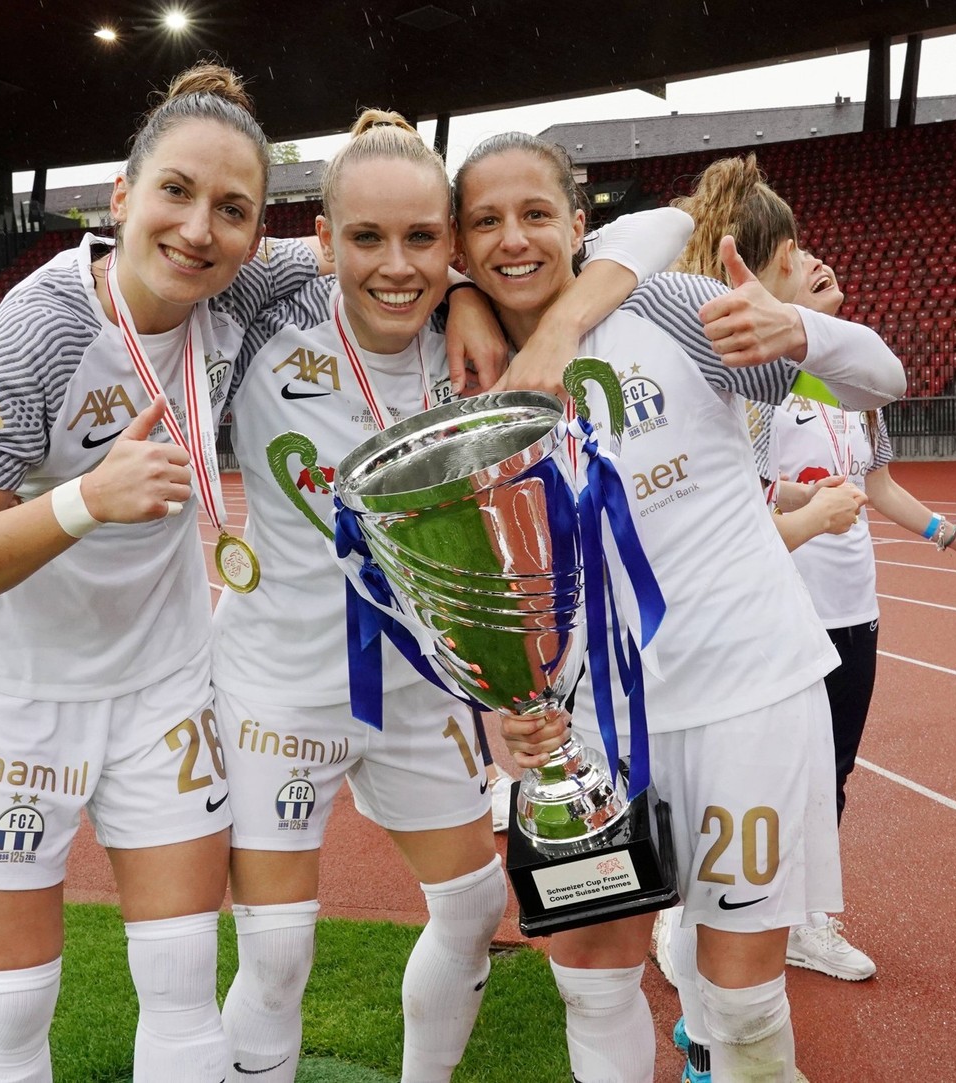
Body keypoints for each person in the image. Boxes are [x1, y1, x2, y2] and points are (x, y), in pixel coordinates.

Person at [214, 110, 694, 1083]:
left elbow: (664, 225)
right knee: (274, 950)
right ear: (321, 242)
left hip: (417, 694)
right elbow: (186, 247)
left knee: (474, 910)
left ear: (452, 244)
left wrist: (476, 293)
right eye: (365, 239)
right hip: (279, 688)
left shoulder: (467, 342)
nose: (397, 265)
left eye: (425, 239)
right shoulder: (267, 320)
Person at [0, 63, 334, 1083]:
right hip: (11, 699)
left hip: (162, 686)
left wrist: (467, 295)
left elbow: (370, 255)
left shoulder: (243, 284)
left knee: (184, 985)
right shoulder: (42, 328)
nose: (200, 230)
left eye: (234, 210)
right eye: (176, 193)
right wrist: (86, 499)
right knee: (13, 1011)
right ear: (121, 199)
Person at [461, 133, 905, 1083]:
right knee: (595, 985)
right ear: (457, 248)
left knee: (741, 1002)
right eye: (485, 222)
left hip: (745, 691)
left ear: (580, 224)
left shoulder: (664, 304)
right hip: (590, 730)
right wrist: (493, 698)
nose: (514, 239)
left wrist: (804, 333)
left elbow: (881, 376)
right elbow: (465, 573)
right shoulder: (457, 368)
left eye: (537, 213)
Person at [751, 250, 956, 980]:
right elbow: (741, 494)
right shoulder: (761, 386)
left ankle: (805, 920)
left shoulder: (861, 384)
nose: (819, 261)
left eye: (820, 254)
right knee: (764, 767)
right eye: (799, 260)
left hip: (852, 603)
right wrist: (801, 502)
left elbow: (882, 485)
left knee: (831, 769)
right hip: (779, 601)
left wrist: (953, 538)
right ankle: (710, 910)